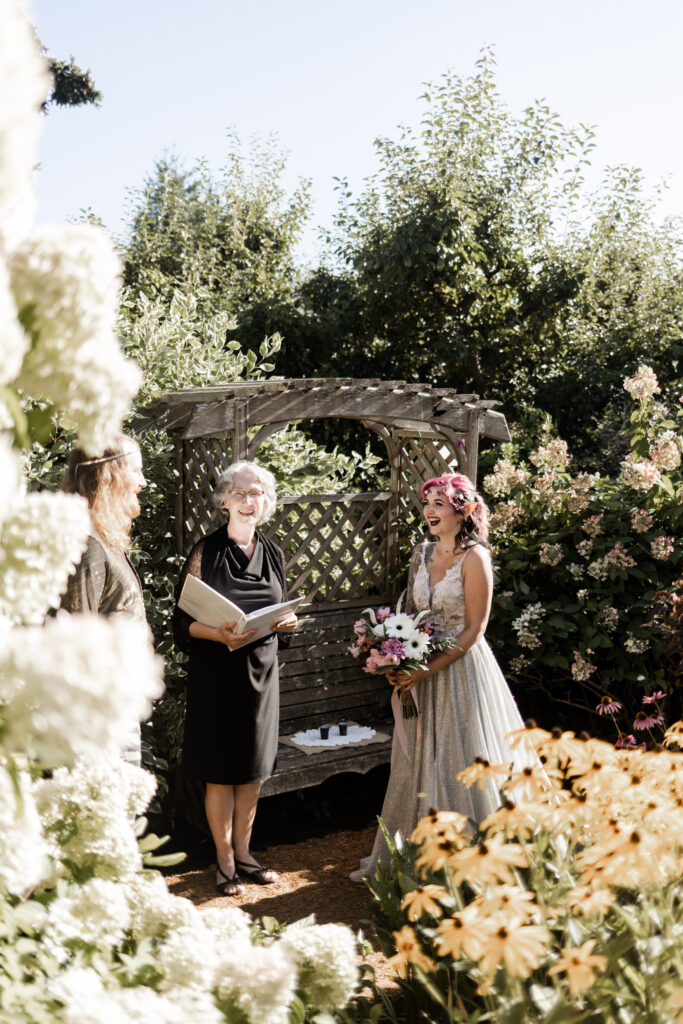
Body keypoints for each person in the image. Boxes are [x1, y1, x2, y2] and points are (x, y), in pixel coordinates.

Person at [352, 472, 532, 879]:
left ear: (462, 509)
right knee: (419, 758)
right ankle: (415, 853)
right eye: (427, 502)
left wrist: (423, 670)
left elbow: (474, 630)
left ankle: (474, 859)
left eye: (438, 502)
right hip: (419, 669)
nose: (429, 510)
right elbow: (413, 616)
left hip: (461, 670)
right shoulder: (422, 554)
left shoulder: (476, 558)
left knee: (464, 755)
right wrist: (392, 657)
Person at [172, 460, 298, 897]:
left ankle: (246, 854)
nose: (249, 501)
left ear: (266, 503)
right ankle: (224, 864)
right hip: (216, 677)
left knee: (252, 772)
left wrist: (286, 623)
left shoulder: (274, 552)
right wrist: (218, 633)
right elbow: (179, 625)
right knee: (221, 774)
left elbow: (279, 607)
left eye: (257, 493)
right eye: (240, 493)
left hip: (262, 677)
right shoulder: (205, 552)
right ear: (225, 499)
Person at [61, 433, 149, 765]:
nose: (143, 482)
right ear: (108, 474)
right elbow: (75, 637)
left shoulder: (103, 538)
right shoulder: (88, 544)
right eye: (137, 470)